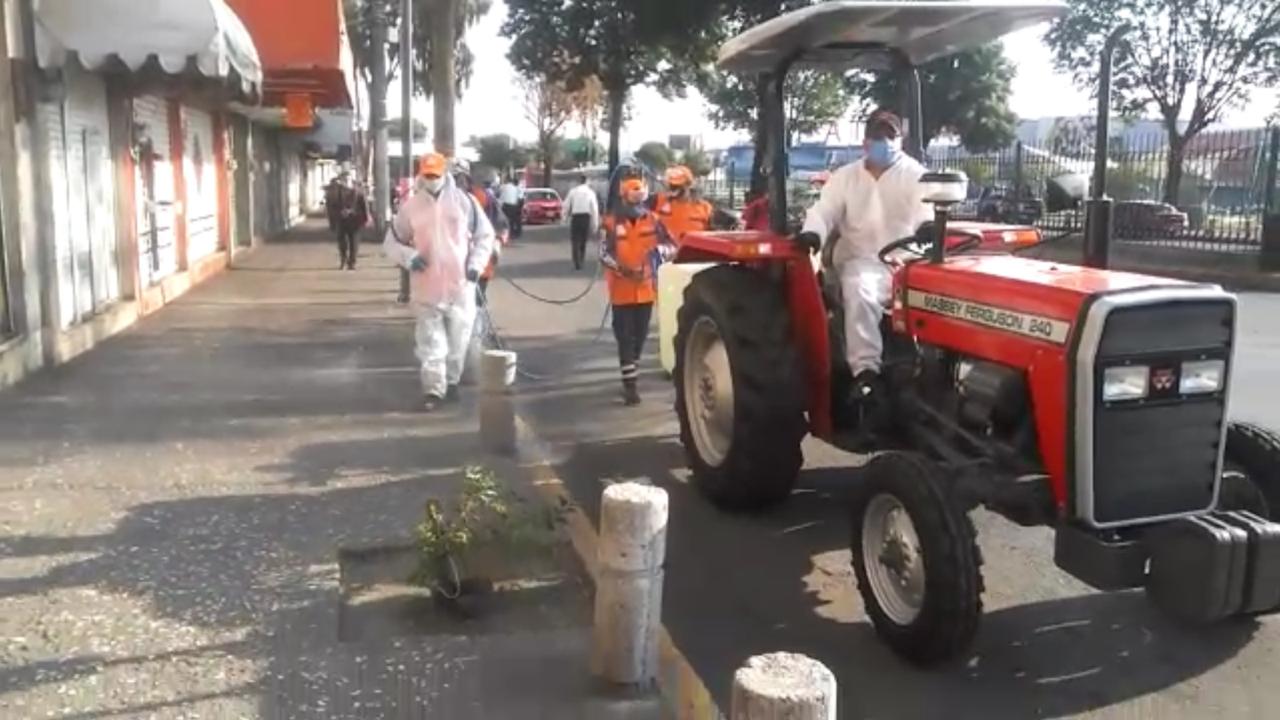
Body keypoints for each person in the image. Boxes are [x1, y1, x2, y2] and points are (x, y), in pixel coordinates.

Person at [794, 109, 931, 409]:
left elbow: (926, 208)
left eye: (891, 136)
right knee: (860, 289)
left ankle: (932, 372)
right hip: (861, 261)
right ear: (866, 141)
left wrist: (926, 227)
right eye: (879, 136)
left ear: (900, 139)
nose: (886, 142)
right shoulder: (846, 178)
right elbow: (824, 211)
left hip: (906, 263)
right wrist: (813, 234)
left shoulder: (914, 174)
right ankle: (866, 372)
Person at [383, 152, 496, 411]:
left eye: (436, 174)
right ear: (421, 174)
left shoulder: (464, 202)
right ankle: (433, 390)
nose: (432, 179)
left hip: (460, 285)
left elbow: (485, 236)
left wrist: (475, 266)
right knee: (431, 343)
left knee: (459, 338)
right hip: (426, 286)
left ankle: (452, 382)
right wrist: (409, 257)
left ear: (444, 173)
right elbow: (391, 242)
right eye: (428, 175)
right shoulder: (410, 207)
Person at [600, 175, 676, 406]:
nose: (635, 206)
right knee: (624, 337)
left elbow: (672, 246)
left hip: (645, 290)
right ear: (623, 198)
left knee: (639, 339)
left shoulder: (654, 220)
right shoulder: (610, 223)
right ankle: (630, 387)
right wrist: (622, 268)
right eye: (631, 201)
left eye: (638, 200)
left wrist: (658, 253)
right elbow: (603, 253)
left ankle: (630, 370)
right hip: (620, 291)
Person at [653, 165, 712, 244]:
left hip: (692, 253)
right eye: (671, 184)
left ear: (689, 185)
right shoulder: (657, 201)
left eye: (678, 185)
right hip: (664, 252)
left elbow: (712, 236)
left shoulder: (704, 207)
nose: (673, 187)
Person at [329, 171, 368, 270]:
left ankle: (352, 262)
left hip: (355, 221)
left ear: (351, 180)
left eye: (348, 179)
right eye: (344, 180)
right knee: (342, 242)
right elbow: (331, 206)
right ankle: (343, 260)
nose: (346, 181)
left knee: (354, 243)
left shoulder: (358, 191)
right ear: (341, 181)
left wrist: (365, 218)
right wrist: (336, 217)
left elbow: (364, 206)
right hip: (341, 220)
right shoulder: (336, 192)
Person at [564, 174, 600, 270]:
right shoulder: (590, 192)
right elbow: (594, 209)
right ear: (587, 181)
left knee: (575, 240)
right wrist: (595, 223)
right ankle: (581, 259)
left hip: (576, 216)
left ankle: (577, 261)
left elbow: (566, 205)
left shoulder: (573, 191)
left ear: (579, 181)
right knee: (583, 240)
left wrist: (564, 217)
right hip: (586, 217)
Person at [498, 176, 523, 240]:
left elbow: (499, 196)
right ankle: (512, 233)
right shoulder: (515, 188)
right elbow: (519, 198)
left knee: (505, 221)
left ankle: (506, 233)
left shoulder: (503, 187)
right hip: (513, 206)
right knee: (512, 220)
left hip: (505, 205)